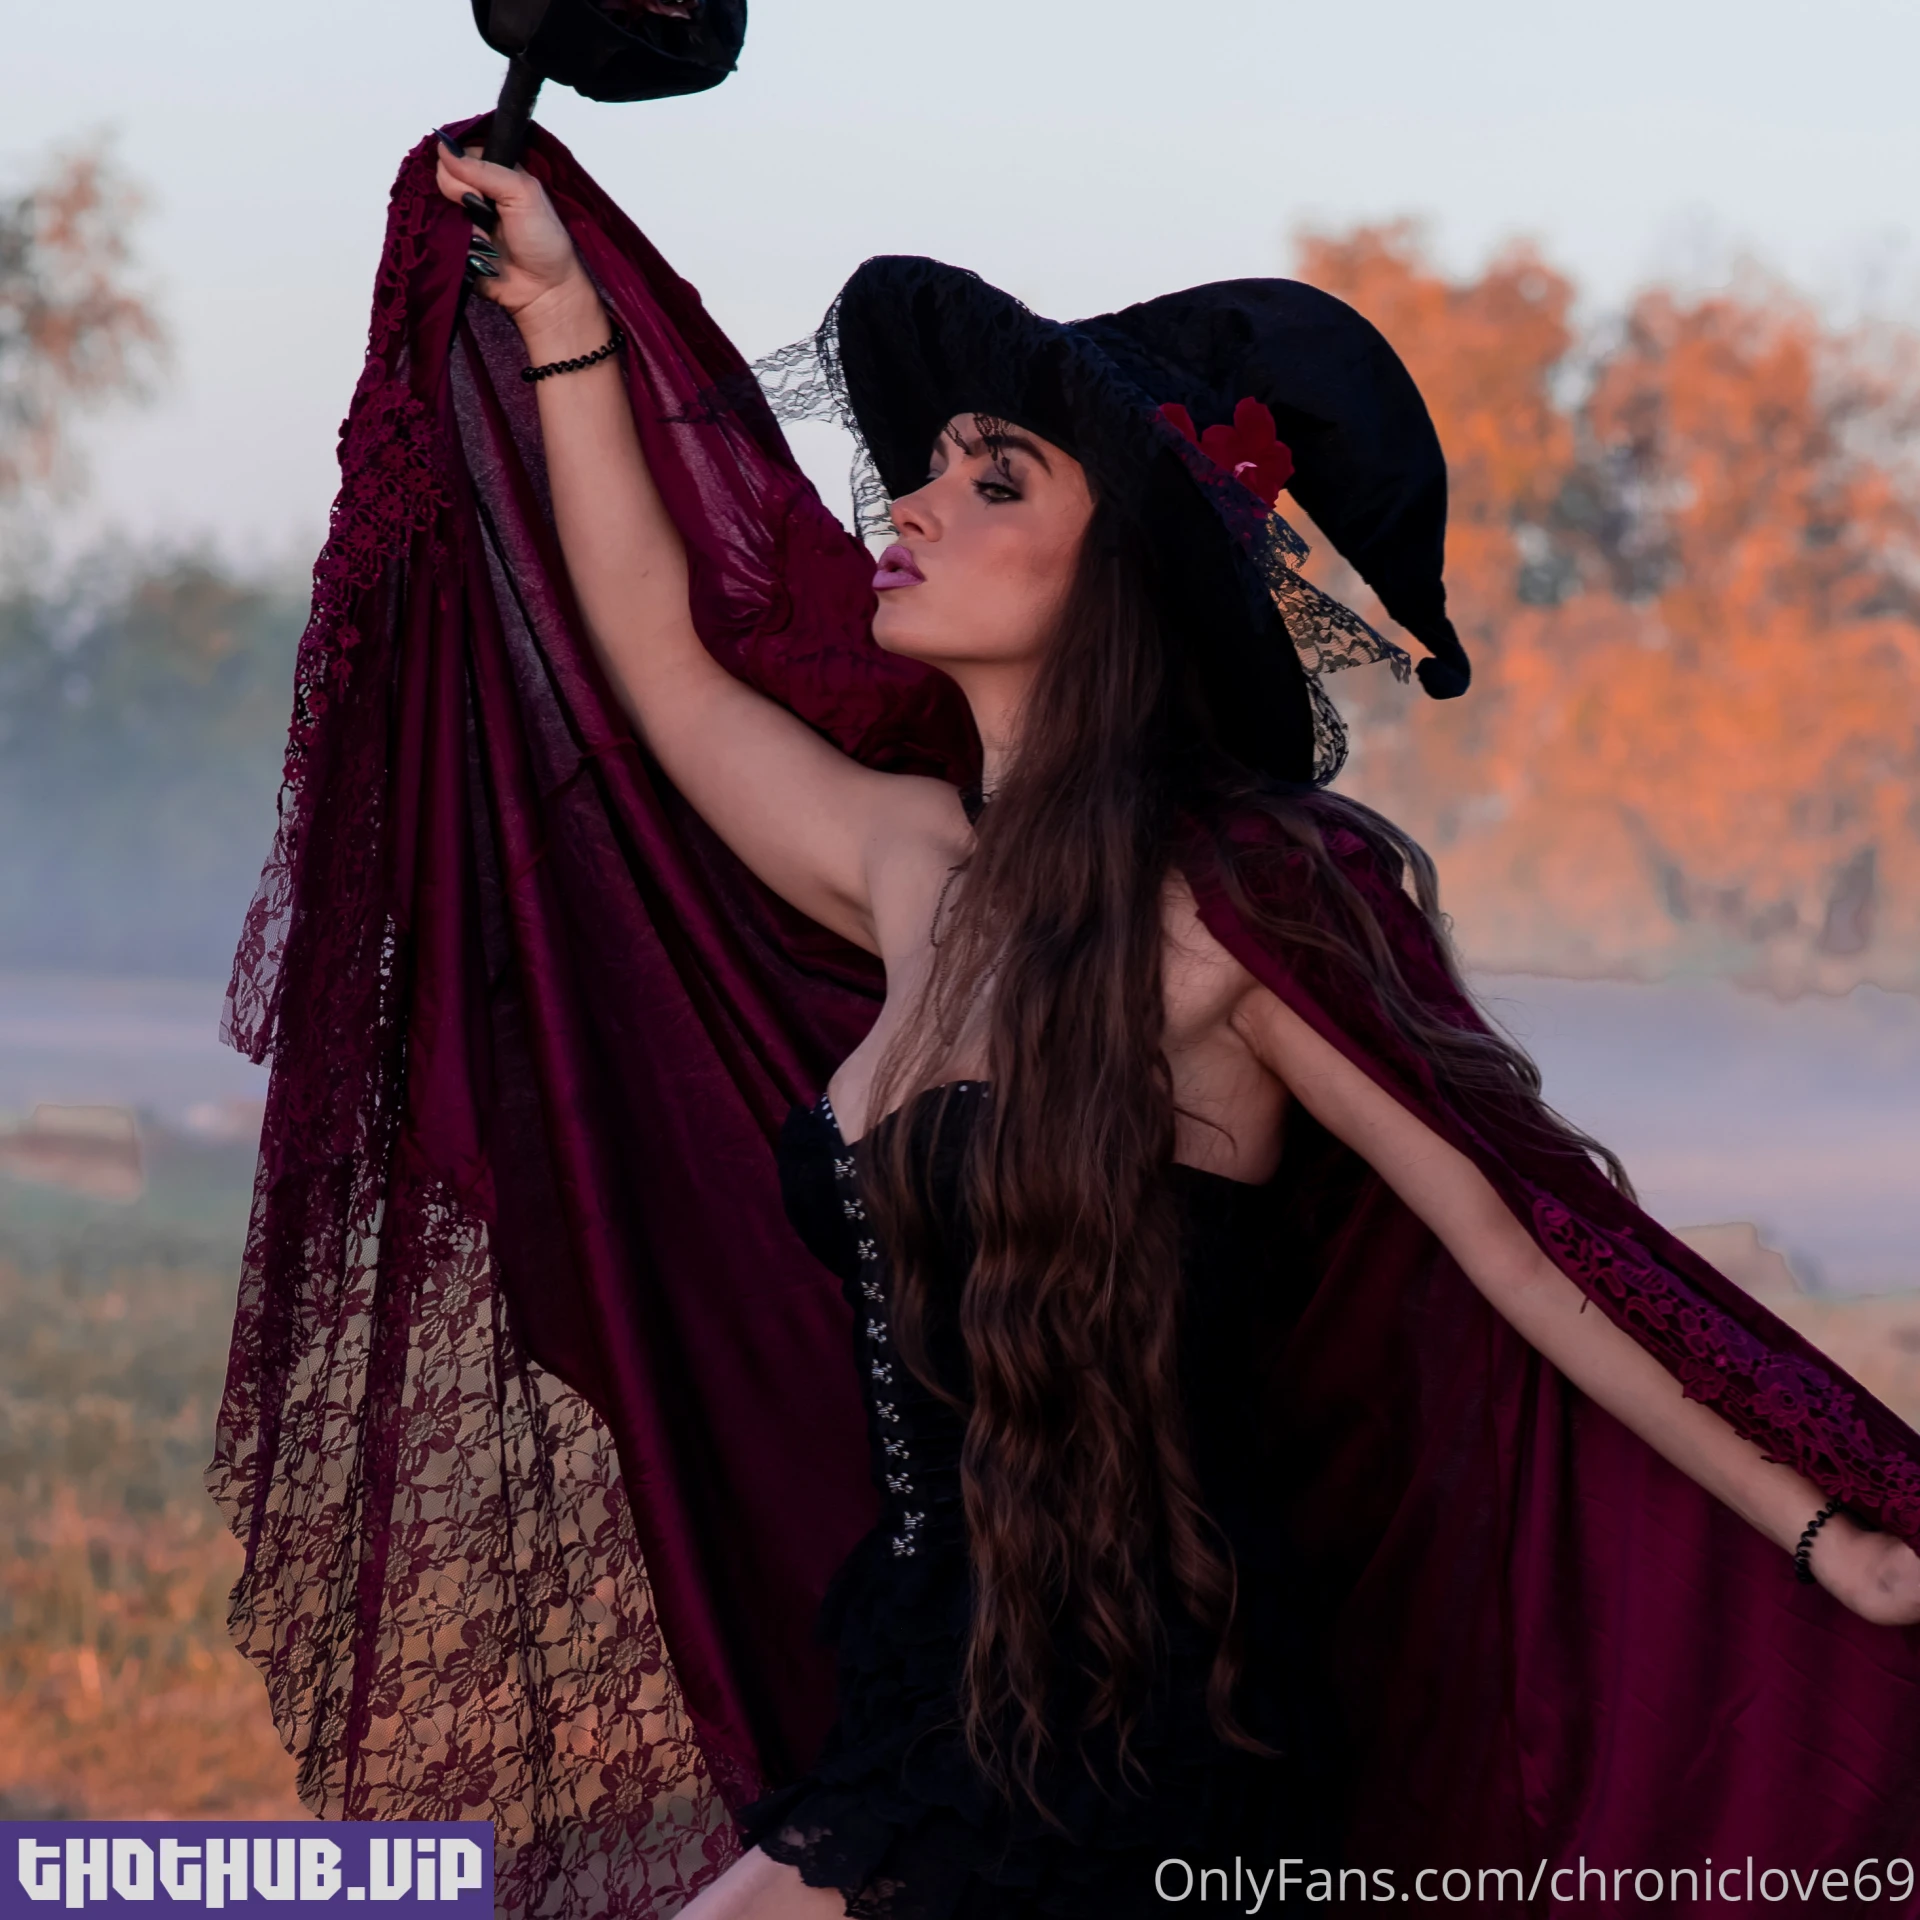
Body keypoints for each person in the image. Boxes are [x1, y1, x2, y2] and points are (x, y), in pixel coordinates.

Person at [412, 138, 1920, 1920]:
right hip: (928, 1703)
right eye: (929, 470)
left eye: (994, 482)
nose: (912, 507)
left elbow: (1522, 1248)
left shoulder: (1230, 916)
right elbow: (657, 662)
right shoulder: (913, 869)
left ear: (1116, 571)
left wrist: (1826, 1534)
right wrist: (562, 312)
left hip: (1125, 1737)